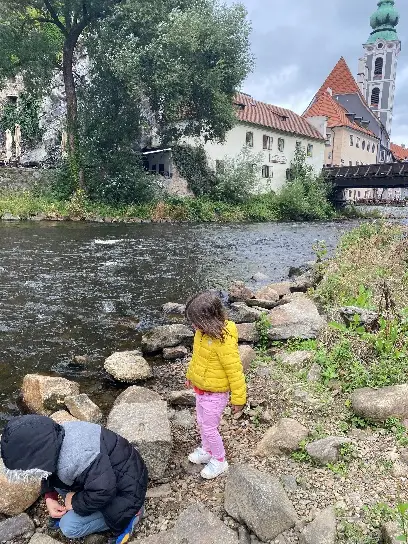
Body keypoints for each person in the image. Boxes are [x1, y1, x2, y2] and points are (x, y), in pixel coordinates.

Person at [1, 415, 148, 543]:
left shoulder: (74, 460)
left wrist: (76, 503)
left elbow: (104, 491)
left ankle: (133, 515)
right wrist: (49, 497)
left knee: (69, 527)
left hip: (127, 493)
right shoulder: (58, 433)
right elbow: (47, 469)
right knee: (62, 484)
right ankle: (82, 505)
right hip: (113, 474)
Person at [185, 291, 247, 479]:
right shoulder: (202, 333)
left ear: (209, 320)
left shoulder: (223, 341)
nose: (193, 326)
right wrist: (191, 376)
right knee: (202, 422)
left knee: (210, 427)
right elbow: (197, 358)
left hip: (216, 393)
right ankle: (207, 450)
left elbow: (235, 372)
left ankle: (220, 460)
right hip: (202, 388)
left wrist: (238, 399)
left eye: (196, 322)